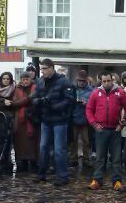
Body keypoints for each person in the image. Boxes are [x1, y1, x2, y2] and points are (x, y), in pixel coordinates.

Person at [32, 58, 75, 186]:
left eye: (45, 69)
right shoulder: (40, 82)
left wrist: (54, 106)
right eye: (41, 69)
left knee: (59, 149)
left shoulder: (63, 81)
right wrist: (39, 102)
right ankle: (41, 174)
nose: (42, 71)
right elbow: (34, 97)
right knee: (43, 147)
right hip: (46, 120)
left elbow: (69, 100)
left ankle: (63, 177)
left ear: (51, 68)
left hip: (59, 120)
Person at [86, 71, 126, 190]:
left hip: (115, 130)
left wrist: (123, 122)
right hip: (101, 130)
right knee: (100, 157)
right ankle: (97, 180)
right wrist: (94, 124)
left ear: (112, 80)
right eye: (104, 81)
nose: (106, 83)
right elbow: (89, 109)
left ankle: (117, 181)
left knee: (116, 157)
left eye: (108, 81)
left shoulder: (120, 92)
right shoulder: (95, 93)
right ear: (101, 81)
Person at [12, 71, 39, 173]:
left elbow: (36, 101)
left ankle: (33, 163)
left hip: (32, 119)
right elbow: (14, 104)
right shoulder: (17, 89)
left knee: (33, 143)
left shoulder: (35, 88)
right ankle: (22, 163)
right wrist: (27, 99)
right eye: (23, 79)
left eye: (27, 79)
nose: (25, 81)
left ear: (30, 80)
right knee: (20, 144)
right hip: (20, 120)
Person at [0, 71, 16, 173]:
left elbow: (13, 103)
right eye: (4, 79)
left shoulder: (14, 89)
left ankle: (6, 163)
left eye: (8, 79)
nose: (6, 81)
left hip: (9, 119)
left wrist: (5, 103)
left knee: (8, 143)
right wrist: (2, 102)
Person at [69, 70, 93, 168]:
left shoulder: (91, 91)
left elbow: (94, 105)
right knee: (73, 140)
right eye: (80, 80)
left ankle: (86, 159)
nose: (81, 82)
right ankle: (73, 159)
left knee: (86, 141)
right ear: (77, 80)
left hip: (86, 119)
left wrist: (86, 104)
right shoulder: (72, 89)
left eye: (83, 81)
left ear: (86, 80)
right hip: (74, 118)